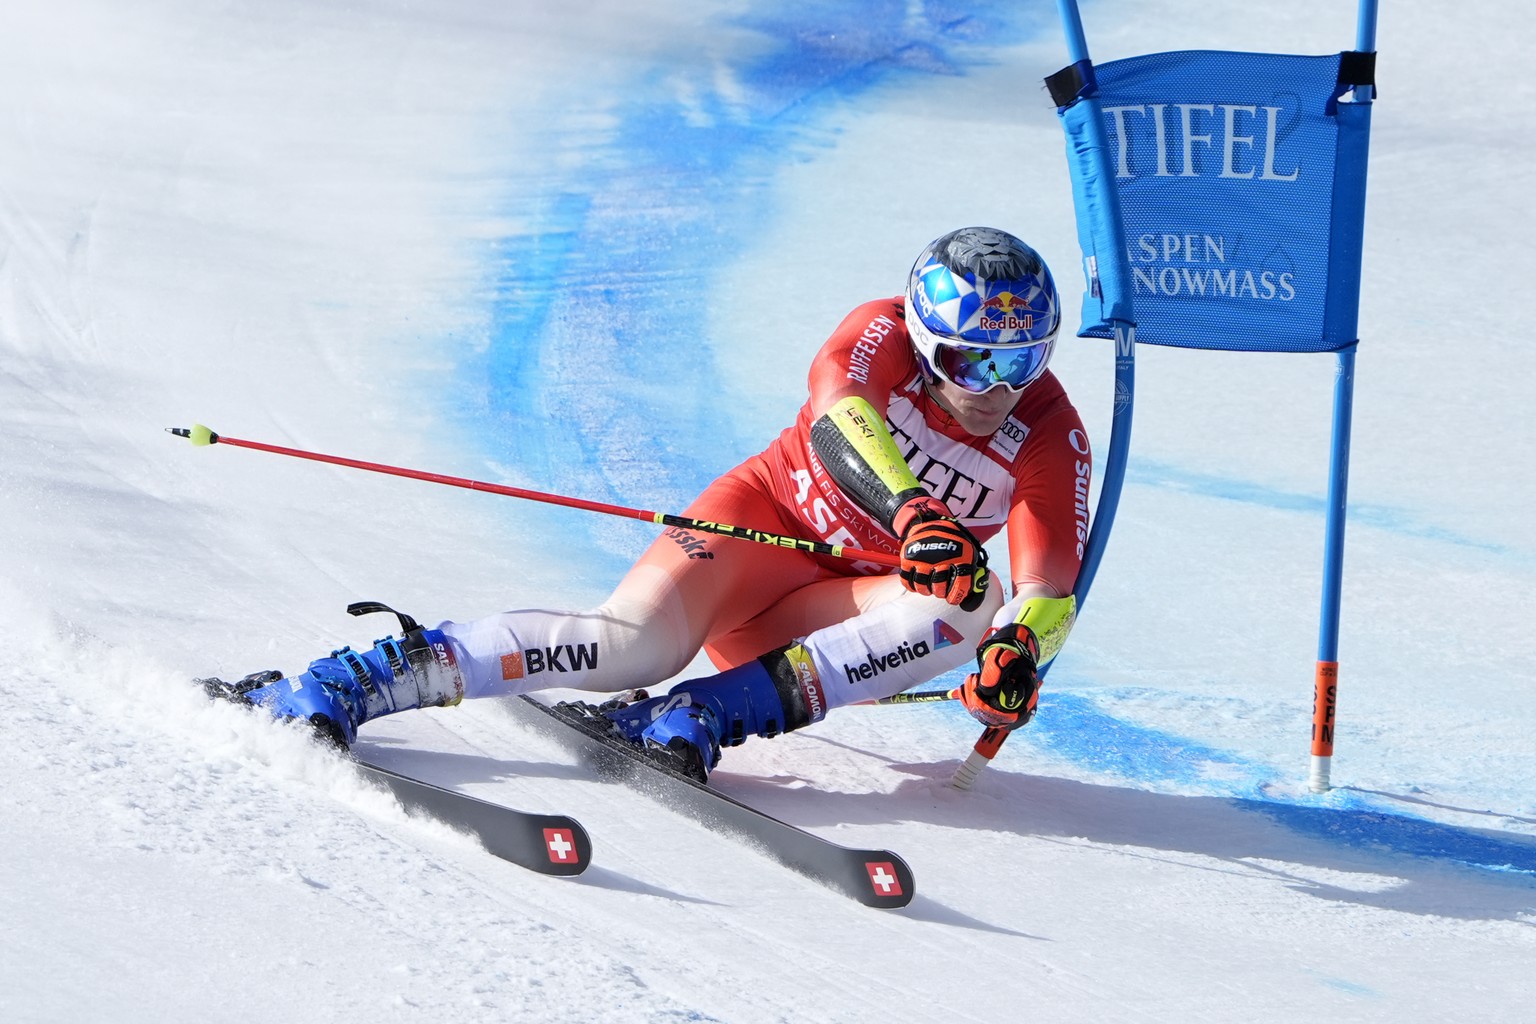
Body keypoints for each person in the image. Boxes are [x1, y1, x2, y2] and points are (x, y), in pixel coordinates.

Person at [210, 226, 1092, 783]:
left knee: (973, 601)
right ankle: (350, 681)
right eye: (970, 361)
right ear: (924, 336)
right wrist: (911, 513)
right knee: (628, 644)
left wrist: (1016, 654)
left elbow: (1048, 587)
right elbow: (838, 419)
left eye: (1020, 363)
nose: (994, 389)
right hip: (760, 528)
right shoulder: (880, 332)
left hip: (831, 622)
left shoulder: (1051, 431)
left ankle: (702, 712)